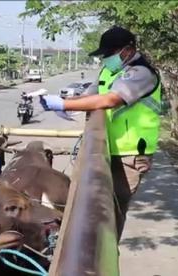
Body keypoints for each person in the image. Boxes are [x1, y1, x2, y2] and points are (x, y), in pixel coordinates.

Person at [40, 26, 161, 239]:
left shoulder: (141, 73)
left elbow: (110, 100)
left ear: (128, 50)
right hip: (106, 148)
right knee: (93, 206)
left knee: (111, 215)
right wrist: (62, 103)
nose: (106, 58)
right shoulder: (110, 71)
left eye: (110, 53)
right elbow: (91, 95)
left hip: (129, 156)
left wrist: (64, 105)